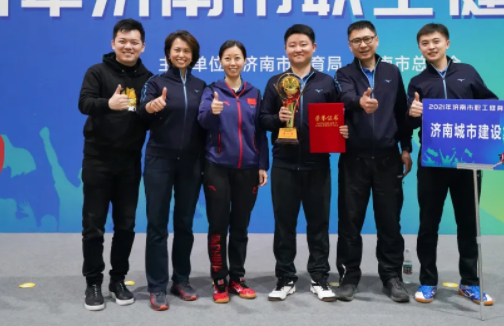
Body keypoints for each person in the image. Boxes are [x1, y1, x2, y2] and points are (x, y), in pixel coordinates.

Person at [407, 23, 504, 306]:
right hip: (433, 161)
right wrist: (412, 112)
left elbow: (491, 107)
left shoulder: (467, 72)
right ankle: (427, 281)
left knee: (468, 223)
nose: (431, 46)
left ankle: (470, 283)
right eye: (425, 43)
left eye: (436, 41)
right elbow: (410, 123)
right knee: (428, 223)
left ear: (447, 43)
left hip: (468, 161)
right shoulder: (418, 82)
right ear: (419, 48)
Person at [259, 24, 348, 302]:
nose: (298, 49)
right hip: (284, 164)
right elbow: (262, 119)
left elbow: (339, 116)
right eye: (292, 45)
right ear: (285, 49)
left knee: (318, 225)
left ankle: (319, 278)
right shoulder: (276, 82)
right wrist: (278, 118)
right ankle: (285, 278)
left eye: (303, 44)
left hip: (318, 164)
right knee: (284, 224)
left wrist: (342, 130)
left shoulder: (327, 82)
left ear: (314, 48)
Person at [333, 20, 413, 303]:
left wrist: (406, 148)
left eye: (367, 39)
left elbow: (402, 113)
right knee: (349, 222)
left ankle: (391, 277)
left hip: (388, 159)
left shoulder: (392, 71)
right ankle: (348, 277)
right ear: (350, 45)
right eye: (356, 41)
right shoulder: (343, 73)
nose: (363, 44)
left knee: (390, 222)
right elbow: (344, 98)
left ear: (376, 40)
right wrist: (360, 102)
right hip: (353, 159)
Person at [78, 19, 152, 311]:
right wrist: (108, 104)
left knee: (126, 226)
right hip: (97, 159)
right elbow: (84, 103)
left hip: (129, 162)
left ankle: (118, 279)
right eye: (123, 41)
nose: (128, 46)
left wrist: (154, 111)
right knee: (93, 226)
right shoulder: (97, 72)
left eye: (134, 42)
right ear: (113, 43)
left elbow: (147, 117)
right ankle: (93, 282)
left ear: (142, 46)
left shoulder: (149, 79)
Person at [138, 30, 206, 311]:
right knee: (157, 224)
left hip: (191, 163)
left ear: (193, 55)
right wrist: (150, 107)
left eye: (187, 51)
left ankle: (181, 279)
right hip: (160, 161)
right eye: (177, 50)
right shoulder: (155, 82)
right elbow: (140, 114)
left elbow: (206, 124)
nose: (181, 55)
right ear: (168, 53)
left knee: (185, 224)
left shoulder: (201, 86)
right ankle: (157, 285)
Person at [197, 40, 270, 303]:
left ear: (245, 61)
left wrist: (262, 165)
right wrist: (212, 112)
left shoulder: (254, 93)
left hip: (248, 169)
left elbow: (260, 132)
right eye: (227, 58)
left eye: (237, 58)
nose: (233, 62)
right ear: (220, 61)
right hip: (217, 168)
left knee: (240, 226)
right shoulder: (212, 91)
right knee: (218, 225)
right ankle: (219, 279)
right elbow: (202, 120)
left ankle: (237, 278)